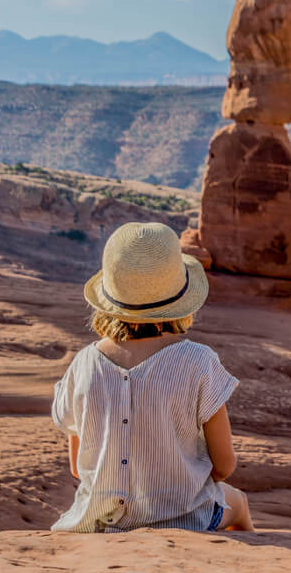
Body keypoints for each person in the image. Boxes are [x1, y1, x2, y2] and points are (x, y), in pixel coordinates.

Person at [50, 221, 253, 533]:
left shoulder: (83, 364)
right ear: (180, 300)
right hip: (184, 521)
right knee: (236, 502)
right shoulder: (198, 361)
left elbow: (79, 468)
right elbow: (224, 467)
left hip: (98, 523)